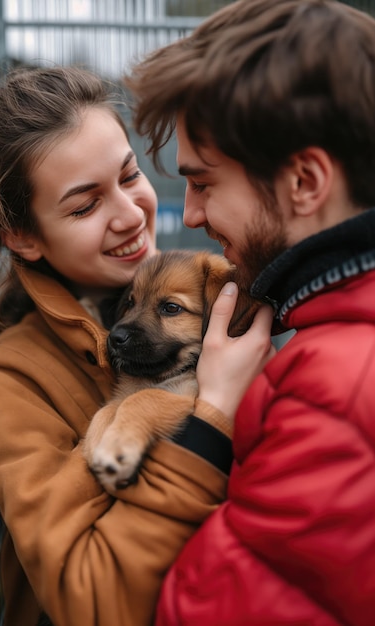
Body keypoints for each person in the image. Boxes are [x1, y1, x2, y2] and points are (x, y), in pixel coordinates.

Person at [0, 65, 274, 626]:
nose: (133, 214)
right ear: (23, 236)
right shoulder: (12, 376)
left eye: (130, 176)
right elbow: (93, 601)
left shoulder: (208, 290)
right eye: (85, 207)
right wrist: (208, 421)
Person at [124, 0, 375, 624]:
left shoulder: (335, 389)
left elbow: (197, 608)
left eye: (204, 182)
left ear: (306, 181)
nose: (196, 214)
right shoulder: (326, 334)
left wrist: (209, 421)